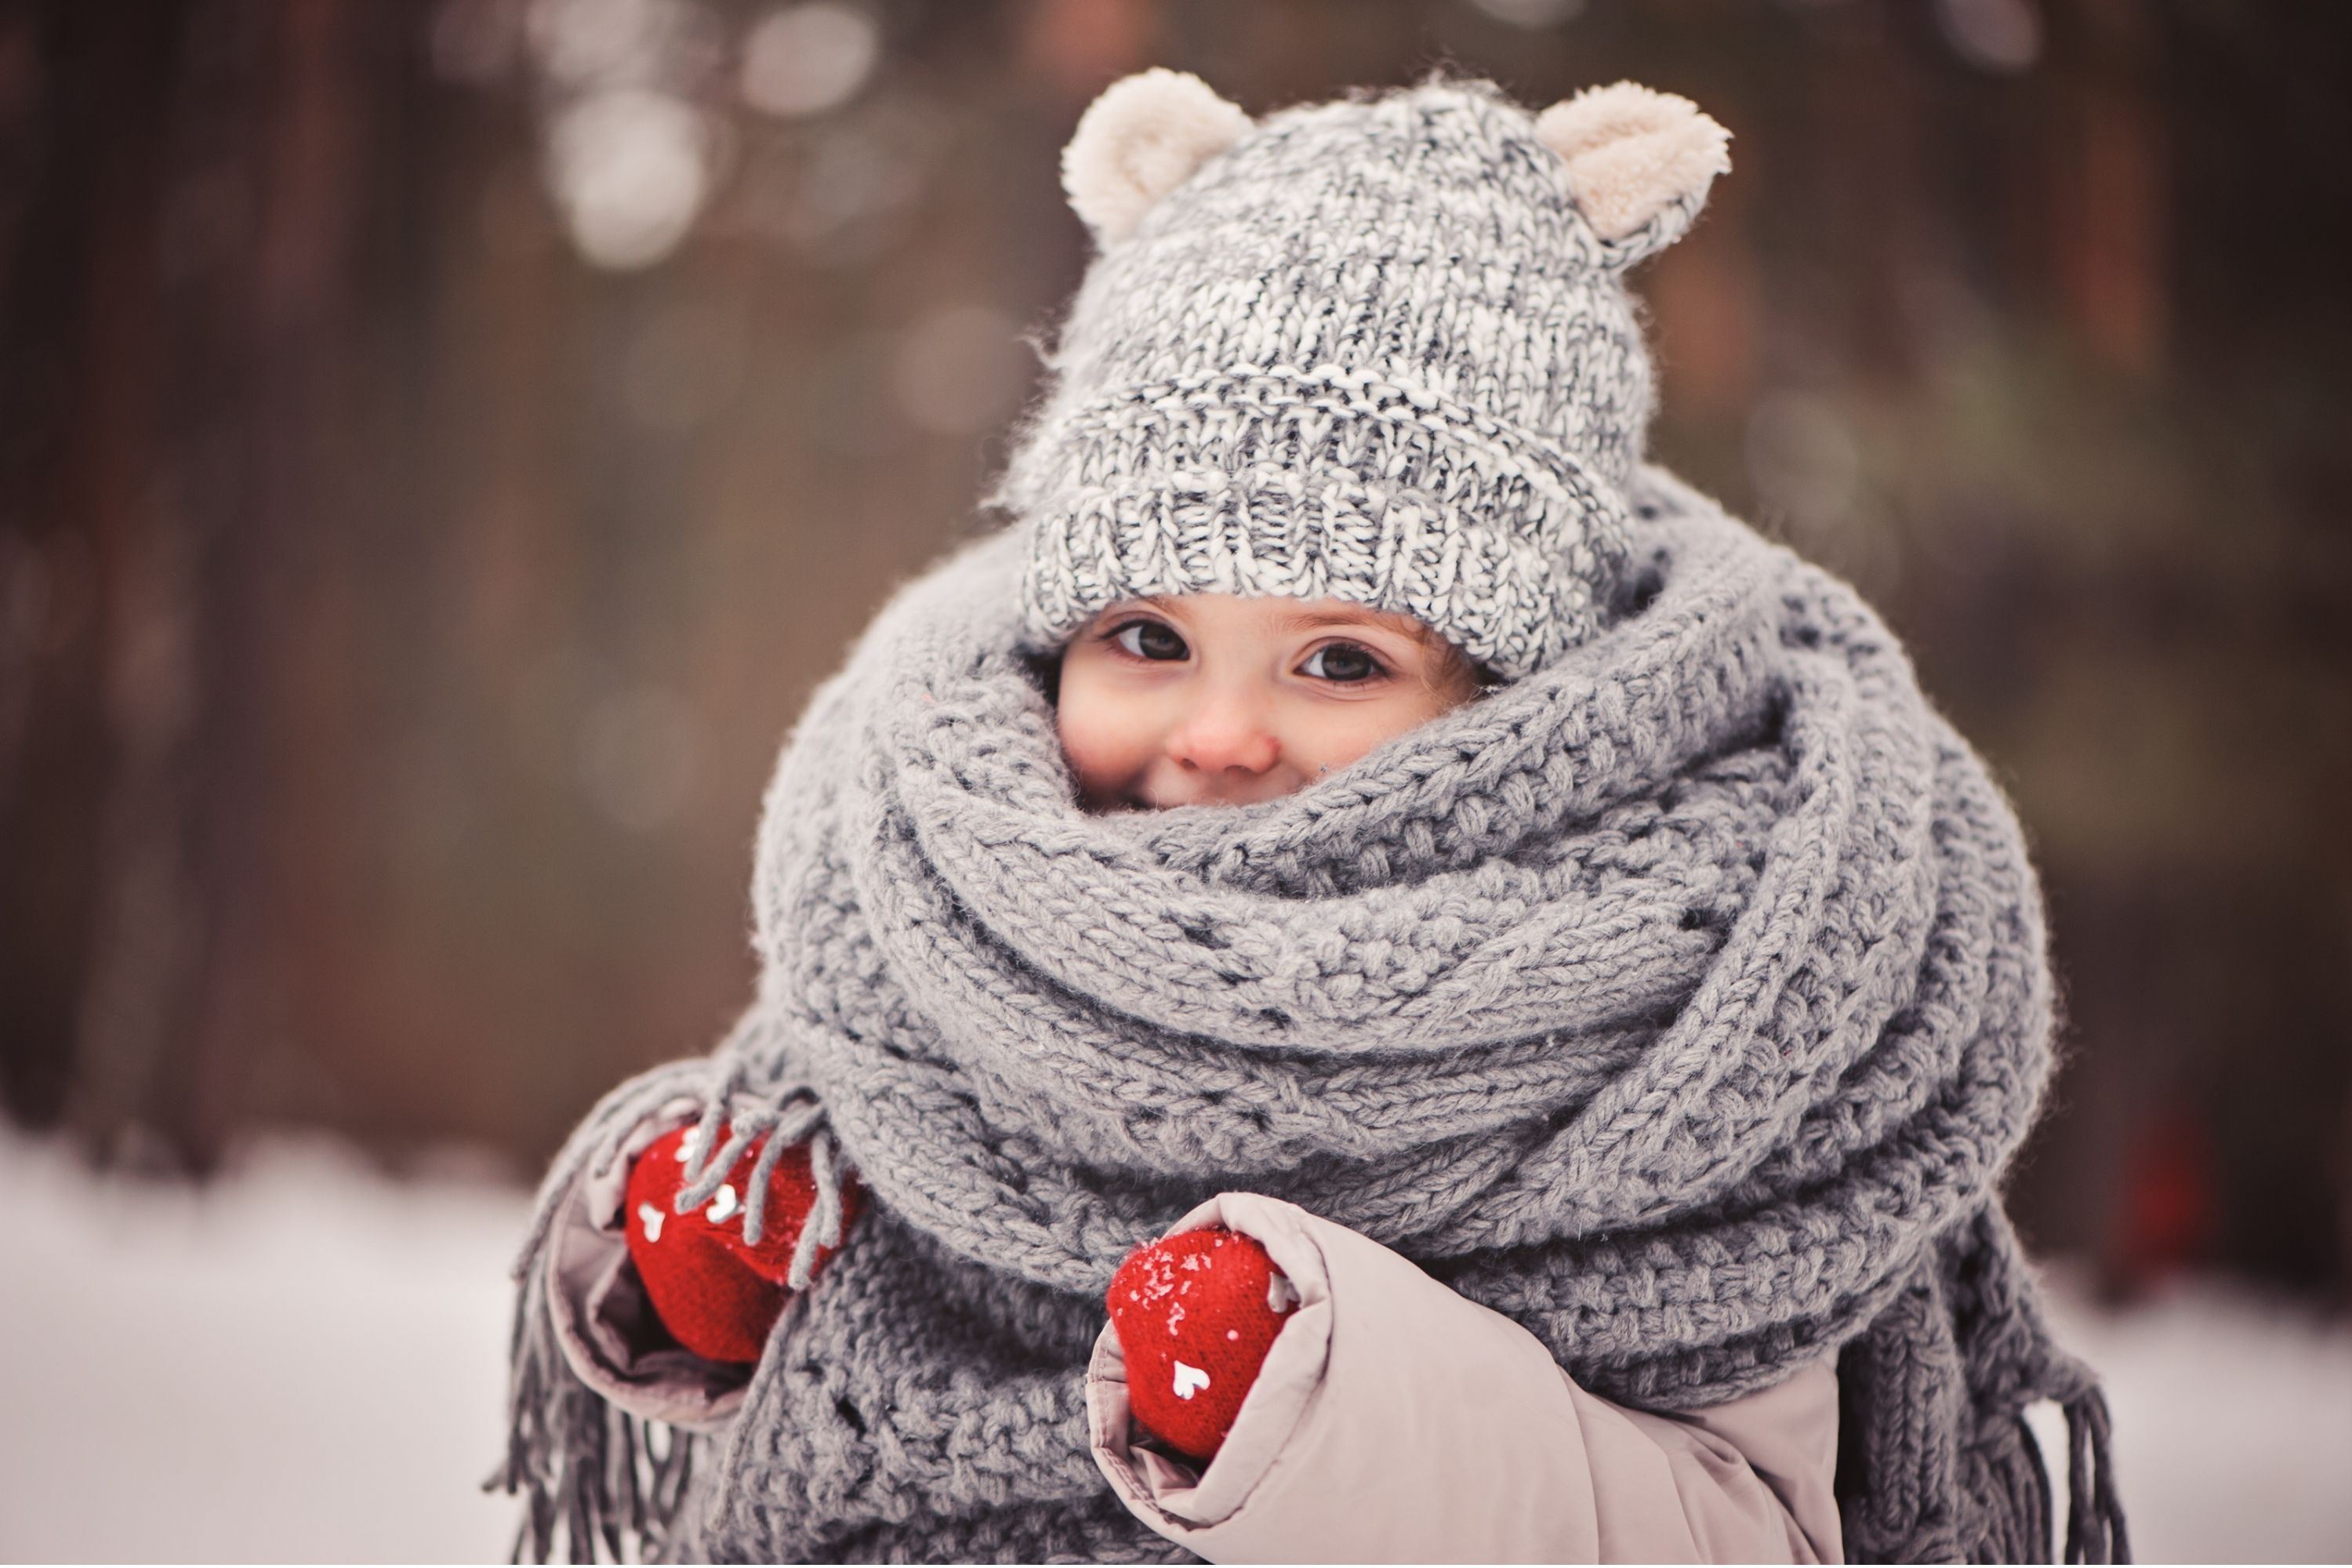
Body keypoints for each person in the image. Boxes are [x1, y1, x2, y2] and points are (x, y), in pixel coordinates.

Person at [492, 71, 2129, 1564]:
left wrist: (1320, 1395)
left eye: (1340, 658)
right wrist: (727, 1281)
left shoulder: (1719, 1027)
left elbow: (1741, 1531)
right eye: (1147, 638)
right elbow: (861, 1274)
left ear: (1519, 699)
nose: (1218, 733)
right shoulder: (950, 907)